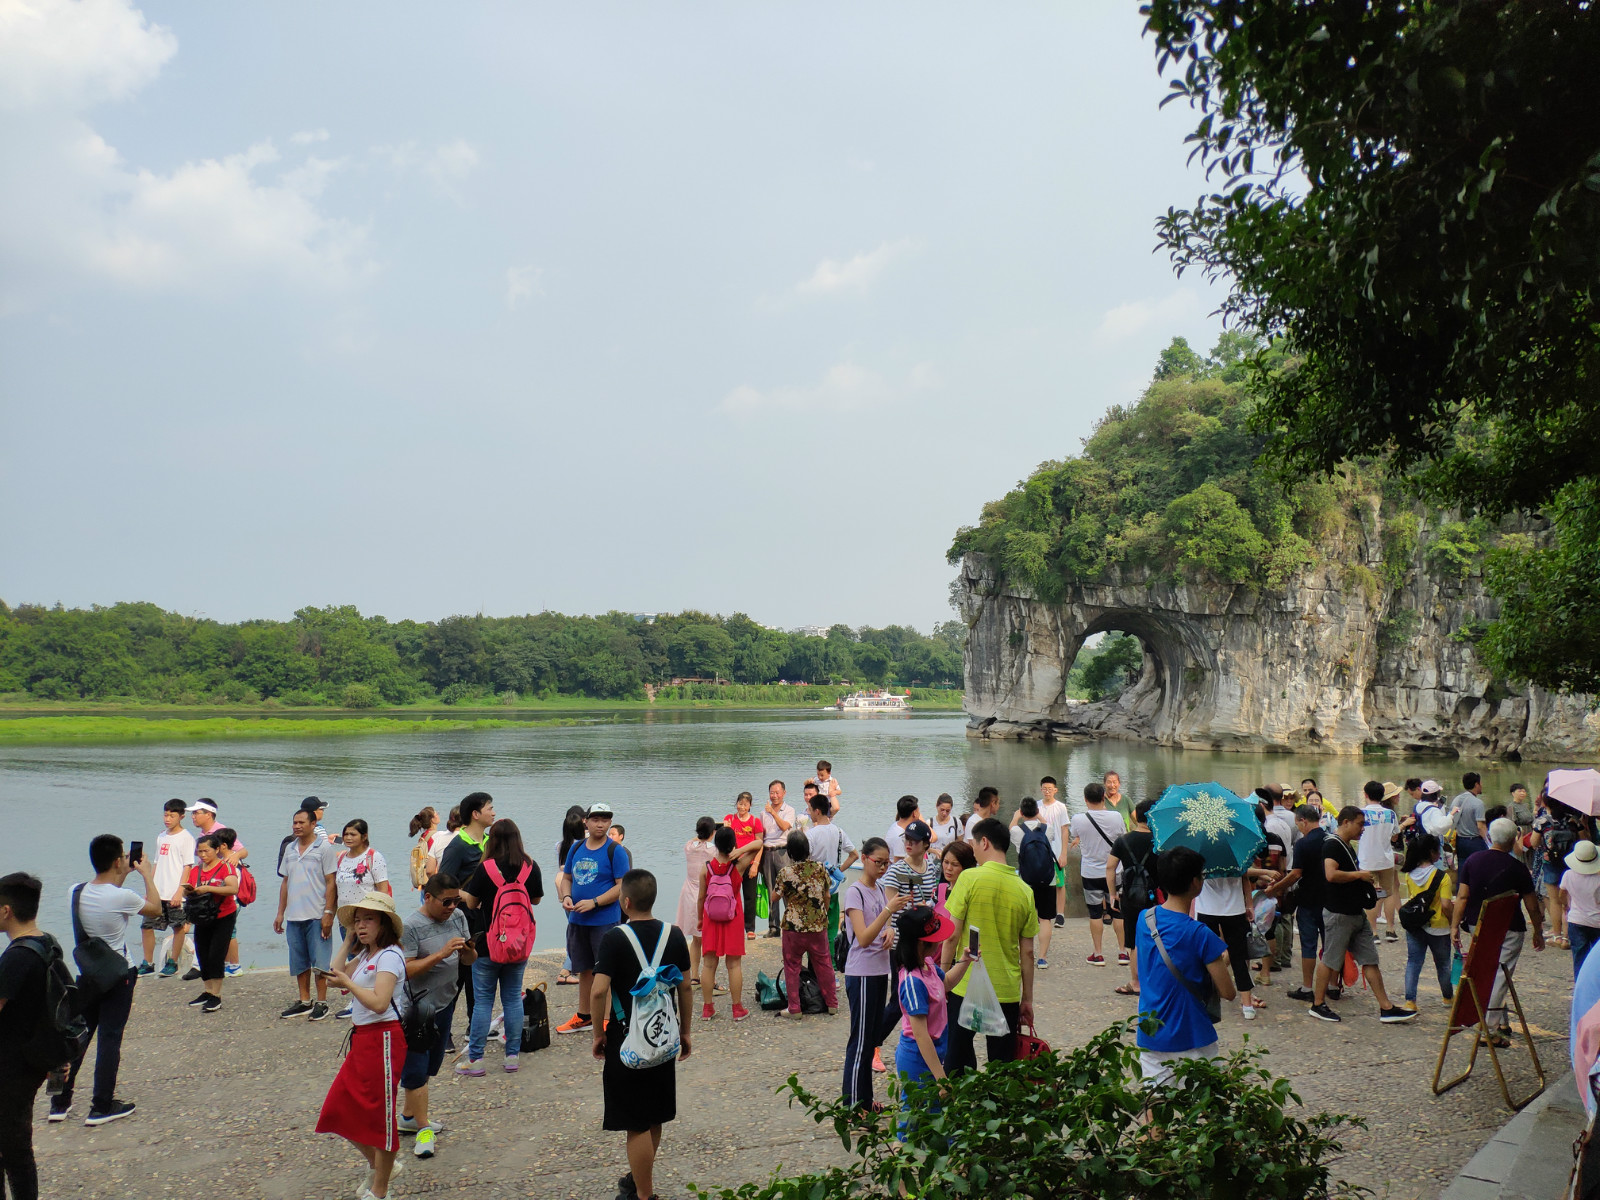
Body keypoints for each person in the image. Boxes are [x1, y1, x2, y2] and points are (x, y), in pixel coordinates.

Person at [590, 869, 693, 1200]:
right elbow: (686, 986)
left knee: (635, 1122)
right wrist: (686, 1032)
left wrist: (597, 1033)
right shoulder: (674, 935)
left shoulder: (614, 939)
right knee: (655, 1114)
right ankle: (639, 1181)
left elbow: (598, 991)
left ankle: (644, 1195)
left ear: (626, 901)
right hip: (662, 1036)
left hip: (626, 1039)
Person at [53, 835, 161, 1126]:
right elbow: (156, 909)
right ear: (117, 860)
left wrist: (120, 874)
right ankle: (101, 1106)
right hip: (118, 976)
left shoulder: (74, 891)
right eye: (123, 857)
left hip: (89, 975)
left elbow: (108, 897)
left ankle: (59, 1102)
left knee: (80, 1034)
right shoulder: (121, 897)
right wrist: (147, 874)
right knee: (109, 1040)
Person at [318, 892, 409, 1200]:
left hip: (384, 1038)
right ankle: (381, 1166)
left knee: (380, 1116)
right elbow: (334, 975)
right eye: (357, 920)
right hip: (363, 1038)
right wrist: (347, 941)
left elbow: (380, 1002)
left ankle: (380, 1190)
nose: (362, 925)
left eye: (368, 919)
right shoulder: (369, 955)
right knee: (337, 1109)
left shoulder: (390, 956)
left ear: (384, 923)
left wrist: (350, 984)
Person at [940, 818, 1037, 1075]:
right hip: (1006, 988)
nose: (972, 850)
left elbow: (951, 935)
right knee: (1002, 1064)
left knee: (957, 1056)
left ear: (984, 842)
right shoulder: (1024, 890)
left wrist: (943, 977)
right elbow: (1028, 952)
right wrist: (1027, 999)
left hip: (964, 984)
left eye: (973, 844)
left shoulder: (970, 878)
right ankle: (998, 1112)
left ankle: (957, 1109)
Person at [1136, 847, 1237, 1089]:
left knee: (1157, 1108)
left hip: (1152, 1030)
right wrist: (1223, 959)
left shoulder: (1145, 919)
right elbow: (1228, 992)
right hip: (1192, 1034)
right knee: (1207, 1109)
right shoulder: (1200, 934)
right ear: (1195, 883)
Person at [1308, 807, 1416, 1024]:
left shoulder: (1347, 845)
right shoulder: (1332, 844)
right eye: (1360, 824)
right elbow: (1331, 874)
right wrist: (1359, 875)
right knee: (1330, 960)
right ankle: (1318, 1004)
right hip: (1339, 914)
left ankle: (1386, 1008)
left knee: (1370, 960)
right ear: (1346, 822)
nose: (1363, 829)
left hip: (1356, 914)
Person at [399, 872, 474, 1159]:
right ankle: (423, 1130)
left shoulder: (457, 918)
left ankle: (407, 1117)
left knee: (430, 1068)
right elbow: (405, 970)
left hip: (445, 1002)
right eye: (446, 901)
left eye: (457, 900)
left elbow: (469, 958)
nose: (452, 907)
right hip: (417, 1010)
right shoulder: (411, 926)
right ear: (427, 897)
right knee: (416, 1073)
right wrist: (441, 954)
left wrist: (468, 952)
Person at [457, 819, 542, 1074]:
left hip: (487, 944)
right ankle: (512, 1057)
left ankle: (476, 1060)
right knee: (513, 999)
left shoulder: (486, 868)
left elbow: (471, 904)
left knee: (483, 1001)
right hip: (518, 944)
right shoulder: (530, 866)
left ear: (491, 840)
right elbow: (535, 900)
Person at [1453, 817, 1545, 1043]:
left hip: (1478, 923)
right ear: (1514, 838)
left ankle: (1494, 1022)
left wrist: (1454, 925)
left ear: (1490, 836)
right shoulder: (1518, 868)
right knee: (1501, 975)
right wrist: (1538, 931)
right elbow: (1531, 905)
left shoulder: (1473, 861)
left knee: (1485, 970)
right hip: (1509, 927)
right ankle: (1490, 1028)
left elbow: (1462, 896)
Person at [841, 838, 911, 1108]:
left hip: (881, 970)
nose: (883, 867)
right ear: (865, 859)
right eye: (878, 862)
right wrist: (888, 912)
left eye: (886, 862)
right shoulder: (854, 893)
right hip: (861, 974)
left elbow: (884, 928)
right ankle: (852, 1106)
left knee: (870, 1041)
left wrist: (891, 928)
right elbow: (863, 936)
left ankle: (866, 1100)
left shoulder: (881, 889)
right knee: (859, 1041)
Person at [891, 905, 972, 1138]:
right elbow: (920, 1034)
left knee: (936, 1115)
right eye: (935, 939)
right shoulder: (912, 981)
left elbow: (945, 984)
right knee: (913, 1117)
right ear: (920, 943)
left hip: (934, 1053)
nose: (940, 943)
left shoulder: (928, 966)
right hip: (917, 1058)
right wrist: (941, 1077)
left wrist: (965, 961)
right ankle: (901, 1163)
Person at [0, 872, 57, 1200]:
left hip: (12, 1066)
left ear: (7, 910)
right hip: (33, 1058)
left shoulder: (16, 958)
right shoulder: (46, 942)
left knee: (14, 1148)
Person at [557, 802, 631, 1036]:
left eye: (605, 820)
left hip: (605, 921)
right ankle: (584, 1015)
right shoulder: (576, 848)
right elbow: (567, 877)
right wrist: (567, 895)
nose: (600, 824)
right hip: (578, 921)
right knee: (584, 970)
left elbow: (622, 887)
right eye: (596, 819)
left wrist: (595, 902)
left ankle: (608, 1019)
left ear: (610, 823)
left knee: (605, 971)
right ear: (586, 822)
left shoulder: (615, 850)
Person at [273, 808, 339, 1020]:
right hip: (294, 915)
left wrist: (328, 912)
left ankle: (322, 1002)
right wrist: (280, 913)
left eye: (302, 822)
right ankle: (304, 1001)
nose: (297, 826)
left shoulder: (324, 849)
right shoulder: (290, 848)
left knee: (320, 962)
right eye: (295, 822)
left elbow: (331, 882)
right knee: (298, 961)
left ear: (313, 824)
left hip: (317, 914)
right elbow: (285, 881)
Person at [440, 792, 496, 1025]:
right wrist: (470, 896)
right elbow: (444, 884)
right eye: (489, 808)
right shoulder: (458, 846)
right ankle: (443, 1030)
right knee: (458, 977)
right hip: (463, 919)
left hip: (485, 920)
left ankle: (476, 1026)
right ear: (475, 814)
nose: (494, 812)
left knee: (480, 977)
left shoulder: (489, 843)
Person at [696, 826, 762, 1020]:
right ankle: (737, 1008)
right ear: (733, 844)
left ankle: (708, 1008)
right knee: (734, 965)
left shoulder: (706, 868)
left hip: (711, 918)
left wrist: (700, 919)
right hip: (732, 917)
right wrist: (740, 850)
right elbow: (759, 844)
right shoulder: (738, 866)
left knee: (708, 965)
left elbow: (701, 897)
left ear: (715, 844)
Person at [776, 830, 838, 1019]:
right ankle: (832, 1004)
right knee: (824, 963)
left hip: (793, 928)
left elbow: (774, 897)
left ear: (790, 852)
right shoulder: (820, 868)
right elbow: (827, 895)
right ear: (808, 849)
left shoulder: (786, 873)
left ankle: (794, 1008)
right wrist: (822, 913)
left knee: (792, 965)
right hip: (818, 926)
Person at [186, 797, 249, 978]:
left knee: (226, 928)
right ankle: (208, 965)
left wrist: (234, 858)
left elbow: (242, 850)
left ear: (209, 814)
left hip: (221, 886)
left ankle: (230, 966)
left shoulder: (219, 832)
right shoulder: (202, 835)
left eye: (196, 813)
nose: (193, 817)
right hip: (206, 887)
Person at [1069, 782, 1127, 967]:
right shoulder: (1116, 816)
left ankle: (1098, 954)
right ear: (1104, 797)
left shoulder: (1078, 819)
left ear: (1085, 800)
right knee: (1118, 913)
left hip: (1091, 872)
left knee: (1095, 914)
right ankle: (1123, 952)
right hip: (1115, 871)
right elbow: (1122, 837)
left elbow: (1075, 835)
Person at [182, 832, 240, 1014]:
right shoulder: (196, 870)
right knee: (203, 953)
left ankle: (216, 995)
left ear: (217, 850)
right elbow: (186, 890)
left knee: (216, 954)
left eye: (206, 851)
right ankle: (207, 991)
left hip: (223, 916)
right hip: (202, 917)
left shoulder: (225, 868)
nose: (203, 855)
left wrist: (207, 888)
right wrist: (189, 892)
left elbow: (233, 888)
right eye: (199, 852)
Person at [138, 798, 195, 978]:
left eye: (172, 815)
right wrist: (150, 888)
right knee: (147, 926)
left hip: (174, 892)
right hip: (158, 892)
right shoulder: (161, 836)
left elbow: (188, 866)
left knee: (177, 926)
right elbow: (156, 864)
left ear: (181, 816)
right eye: (165, 814)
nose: (167, 819)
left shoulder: (186, 838)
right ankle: (148, 962)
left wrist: (180, 891)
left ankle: (173, 962)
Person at [1106, 799, 1158, 997]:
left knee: (1133, 940)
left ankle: (1136, 982)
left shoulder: (1123, 840)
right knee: (1155, 937)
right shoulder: (1159, 841)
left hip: (1129, 895)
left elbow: (1110, 867)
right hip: (1155, 896)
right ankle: (1153, 980)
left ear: (1136, 815)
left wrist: (1112, 894)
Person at [1399, 834, 1455, 1011]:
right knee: (1443, 965)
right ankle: (1447, 998)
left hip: (1416, 925)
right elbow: (1446, 905)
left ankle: (1410, 1001)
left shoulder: (1409, 875)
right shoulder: (1442, 877)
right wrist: (1453, 923)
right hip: (1439, 926)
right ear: (1432, 852)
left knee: (1413, 962)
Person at [1280, 804, 1329, 1002]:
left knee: (1308, 944)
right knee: (1330, 945)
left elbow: (1296, 874)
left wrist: (1277, 889)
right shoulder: (1331, 840)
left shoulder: (1303, 844)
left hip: (1308, 900)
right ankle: (1332, 985)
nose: (1298, 828)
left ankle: (1308, 987)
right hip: (1330, 900)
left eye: (1298, 824)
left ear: (1303, 821)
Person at [804, 792, 858, 942]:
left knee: (814, 926)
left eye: (810, 809)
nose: (809, 813)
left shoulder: (811, 835)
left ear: (817, 811)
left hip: (815, 886)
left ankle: (815, 961)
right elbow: (854, 855)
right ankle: (832, 961)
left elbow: (805, 861)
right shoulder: (839, 832)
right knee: (832, 926)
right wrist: (838, 871)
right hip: (833, 886)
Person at [1012, 799, 1057, 968]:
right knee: (1045, 918)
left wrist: (1016, 818)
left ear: (1022, 812)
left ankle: (1023, 955)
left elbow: (1010, 829)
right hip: (1047, 880)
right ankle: (1043, 957)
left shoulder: (1017, 831)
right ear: (1037, 811)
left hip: (1025, 881)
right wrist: (1039, 815)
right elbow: (1046, 826)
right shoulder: (1048, 829)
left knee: (1023, 919)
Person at [676, 817, 718, 991]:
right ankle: (710, 977)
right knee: (708, 937)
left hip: (689, 891)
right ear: (712, 833)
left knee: (695, 938)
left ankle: (694, 975)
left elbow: (694, 841)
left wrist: (700, 836)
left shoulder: (689, 847)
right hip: (706, 893)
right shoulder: (713, 851)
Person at [1358, 781, 1402, 939]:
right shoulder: (1390, 814)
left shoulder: (1360, 813)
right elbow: (1395, 835)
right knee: (1388, 893)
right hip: (1386, 859)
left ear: (1366, 795)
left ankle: (1373, 932)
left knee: (1371, 894)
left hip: (1367, 860)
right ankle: (1390, 929)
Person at [724, 792, 764, 936]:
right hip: (733, 863)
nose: (742, 807)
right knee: (731, 895)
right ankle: (732, 924)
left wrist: (756, 864)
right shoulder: (729, 819)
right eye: (740, 804)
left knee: (749, 896)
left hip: (750, 863)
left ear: (750, 806)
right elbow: (723, 839)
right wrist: (726, 828)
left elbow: (760, 844)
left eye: (745, 805)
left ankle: (750, 929)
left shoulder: (755, 822)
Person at [760, 781, 797, 936]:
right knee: (771, 890)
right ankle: (774, 927)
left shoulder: (789, 810)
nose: (774, 796)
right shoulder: (763, 813)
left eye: (777, 792)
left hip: (783, 852)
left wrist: (773, 813)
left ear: (784, 793)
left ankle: (791, 924)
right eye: (771, 793)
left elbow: (784, 826)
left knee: (787, 889)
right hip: (768, 852)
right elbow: (761, 836)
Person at [555, 805, 586, 986]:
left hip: (563, 892)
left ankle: (575, 967)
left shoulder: (560, 846)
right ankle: (566, 970)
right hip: (577, 892)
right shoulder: (582, 845)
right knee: (578, 933)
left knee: (573, 930)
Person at [1561, 841, 1600, 977]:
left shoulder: (1568, 875)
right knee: (1596, 958)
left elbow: (1562, 895)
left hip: (1576, 919)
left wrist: (1566, 906)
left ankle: (1580, 983)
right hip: (1597, 921)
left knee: (1579, 956)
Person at [885, 820, 941, 907]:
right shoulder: (896, 870)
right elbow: (888, 908)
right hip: (902, 920)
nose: (909, 843)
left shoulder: (930, 868)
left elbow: (933, 897)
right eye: (907, 838)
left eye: (915, 840)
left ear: (926, 844)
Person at [1451, 772, 1489, 864]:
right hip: (1474, 841)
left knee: (1462, 867)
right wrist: (1488, 842)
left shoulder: (1456, 799)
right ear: (1476, 784)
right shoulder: (1477, 803)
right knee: (1479, 867)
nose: (1482, 785)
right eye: (1481, 783)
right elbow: (1480, 826)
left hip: (1460, 840)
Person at [935, 840, 975, 923]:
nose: (949, 868)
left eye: (955, 864)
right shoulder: (940, 890)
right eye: (946, 862)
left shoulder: (969, 894)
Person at [409, 807, 440, 890]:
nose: (438, 815)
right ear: (432, 819)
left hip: (424, 882)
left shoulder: (423, 836)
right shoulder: (436, 836)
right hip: (434, 881)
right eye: (437, 814)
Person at [885, 795, 921, 862]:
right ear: (914, 813)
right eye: (918, 811)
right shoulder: (901, 836)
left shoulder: (895, 825)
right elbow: (899, 865)